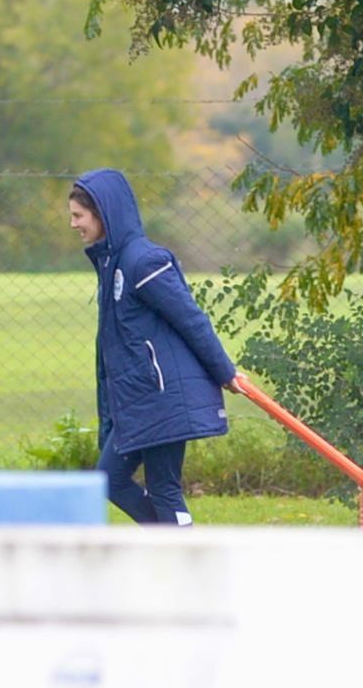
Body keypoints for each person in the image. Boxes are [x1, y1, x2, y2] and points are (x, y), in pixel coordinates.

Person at [69, 168, 239, 526]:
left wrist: (225, 372)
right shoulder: (113, 263)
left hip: (162, 399)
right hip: (139, 401)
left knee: (163, 489)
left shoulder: (144, 261)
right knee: (110, 481)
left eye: (78, 216)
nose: (73, 224)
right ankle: (170, 545)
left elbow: (191, 320)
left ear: (102, 213)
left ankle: (183, 556)